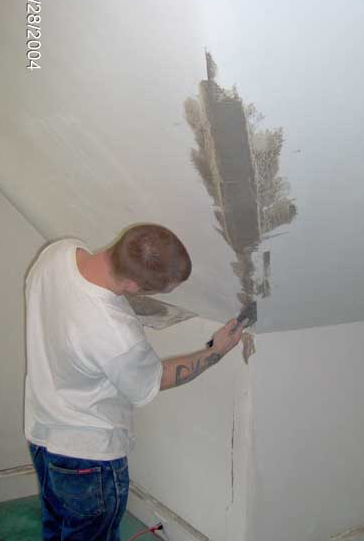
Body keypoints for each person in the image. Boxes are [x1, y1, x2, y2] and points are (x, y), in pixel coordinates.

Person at [24, 223, 243, 541]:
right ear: (130, 284)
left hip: (42, 433)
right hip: (88, 457)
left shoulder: (58, 253)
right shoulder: (116, 333)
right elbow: (156, 379)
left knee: (56, 529)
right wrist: (215, 351)